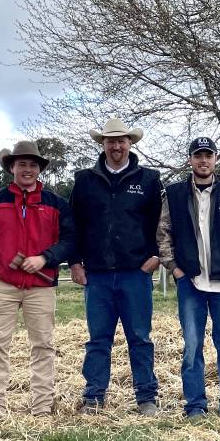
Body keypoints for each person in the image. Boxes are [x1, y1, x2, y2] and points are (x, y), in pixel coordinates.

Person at [0, 140, 75, 420]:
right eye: (22, 164)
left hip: (40, 286)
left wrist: (45, 258)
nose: (27, 169)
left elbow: (69, 241)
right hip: (2, 284)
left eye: (33, 164)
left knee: (43, 345)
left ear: (39, 169)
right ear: (11, 167)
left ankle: (41, 407)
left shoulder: (56, 204)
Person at [68, 118, 163, 415]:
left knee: (140, 337)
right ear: (103, 144)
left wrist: (156, 256)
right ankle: (94, 396)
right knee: (98, 339)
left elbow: (162, 223)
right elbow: (73, 224)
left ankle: (146, 397)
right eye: (111, 141)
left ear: (130, 143)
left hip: (135, 272)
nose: (116, 146)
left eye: (122, 140)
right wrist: (74, 261)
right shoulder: (84, 180)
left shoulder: (149, 179)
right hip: (96, 274)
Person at [157, 137, 220, 419]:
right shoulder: (173, 194)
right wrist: (174, 268)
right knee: (192, 346)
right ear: (190, 160)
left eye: (208, 155)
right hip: (191, 283)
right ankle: (195, 404)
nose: (203, 160)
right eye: (198, 155)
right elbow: (163, 233)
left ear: (216, 159)